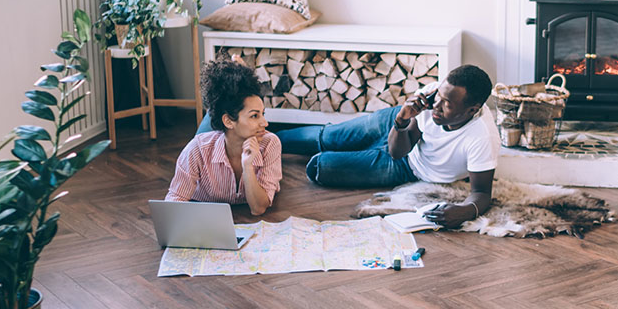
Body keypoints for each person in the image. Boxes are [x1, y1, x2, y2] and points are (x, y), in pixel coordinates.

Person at [277, 64, 497, 229]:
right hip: (395, 124)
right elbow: (398, 145)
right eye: (438, 96)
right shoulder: (431, 100)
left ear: (471, 110)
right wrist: (402, 119)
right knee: (329, 137)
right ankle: (264, 140)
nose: (436, 106)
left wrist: (465, 212)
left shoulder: (481, 136)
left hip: (407, 167)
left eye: (447, 104)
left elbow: (481, 193)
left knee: (321, 167)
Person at [167, 60, 281, 216]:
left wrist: (248, 167)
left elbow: (258, 208)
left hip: (229, 128)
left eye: (263, 114)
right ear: (228, 121)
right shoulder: (197, 149)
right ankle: (221, 96)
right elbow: (176, 199)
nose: (265, 122)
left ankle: (233, 78)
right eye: (254, 115)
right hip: (219, 133)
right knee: (211, 122)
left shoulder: (270, 144)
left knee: (222, 113)